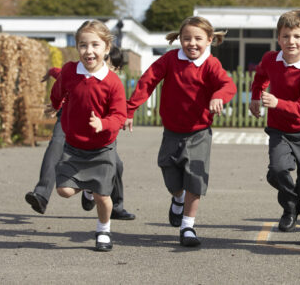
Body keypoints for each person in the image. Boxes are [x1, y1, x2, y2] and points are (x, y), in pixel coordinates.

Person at [124, 16, 236, 247]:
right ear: (180, 39)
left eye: (198, 39)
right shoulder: (170, 59)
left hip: (199, 132)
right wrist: (130, 109)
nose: (192, 43)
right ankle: (177, 199)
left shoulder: (211, 64)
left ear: (209, 40)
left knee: (195, 178)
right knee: (171, 177)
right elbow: (147, 81)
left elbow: (228, 85)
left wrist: (218, 96)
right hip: (172, 131)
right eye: (187, 38)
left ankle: (188, 227)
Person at [24, 47, 135, 221]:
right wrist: (50, 75)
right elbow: (59, 74)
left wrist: (120, 119)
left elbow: (119, 111)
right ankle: (41, 194)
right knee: (56, 146)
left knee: (117, 164)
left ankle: (115, 205)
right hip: (70, 120)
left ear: (117, 69)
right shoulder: (78, 72)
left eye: (109, 65)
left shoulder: (111, 83)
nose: (103, 66)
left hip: (98, 131)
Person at [249, 9, 300, 245]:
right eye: (285, 36)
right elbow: (261, 76)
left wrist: (277, 102)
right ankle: (291, 205)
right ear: (278, 38)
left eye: (296, 36)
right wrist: (255, 96)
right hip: (279, 130)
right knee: (278, 170)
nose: (290, 41)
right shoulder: (271, 59)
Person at [49, 20, 127, 252]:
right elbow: (59, 89)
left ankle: (103, 229)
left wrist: (102, 123)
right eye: (83, 45)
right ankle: (88, 189)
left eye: (95, 45)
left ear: (106, 48)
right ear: (77, 47)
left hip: (102, 148)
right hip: (73, 147)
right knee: (63, 191)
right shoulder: (70, 71)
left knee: (103, 196)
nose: (89, 51)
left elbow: (119, 115)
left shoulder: (112, 82)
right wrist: (55, 104)